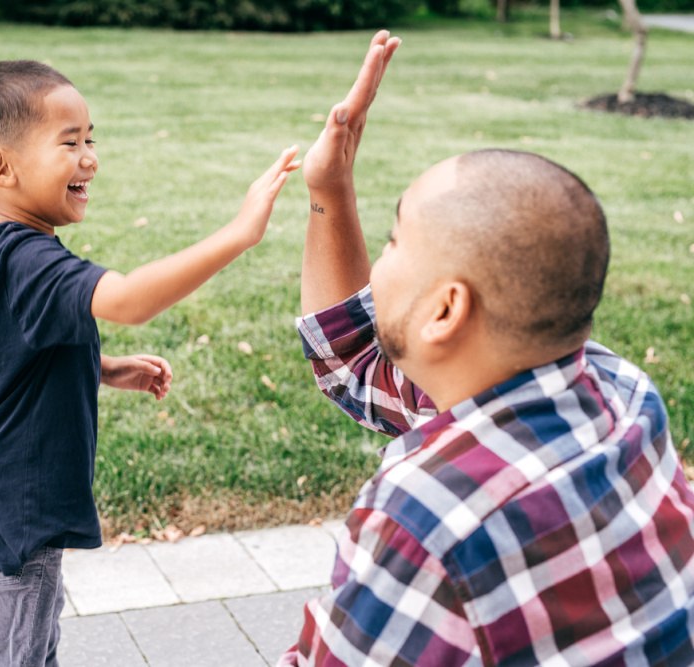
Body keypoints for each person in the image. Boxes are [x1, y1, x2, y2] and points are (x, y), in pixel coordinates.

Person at [281, 31, 694, 666]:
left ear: (446, 309)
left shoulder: (427, 518)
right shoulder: (622, 390)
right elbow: (357, 365)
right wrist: (331, 189)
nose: (381, 262)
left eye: (394, 242)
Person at [0, 60, 299, 667]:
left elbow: (5, 350)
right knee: (17, 652)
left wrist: (102, 367)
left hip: (4, 486)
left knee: (30, 636)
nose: (90, 158)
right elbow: (131, 299)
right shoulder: (30, 260)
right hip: (21, 498)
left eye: (91, 139)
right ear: (0, 167)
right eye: (70, 142)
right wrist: (240, 233)